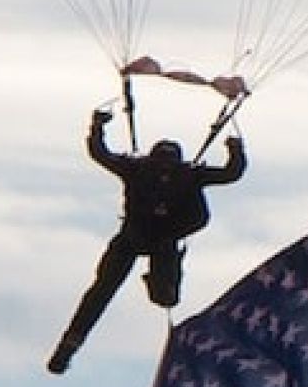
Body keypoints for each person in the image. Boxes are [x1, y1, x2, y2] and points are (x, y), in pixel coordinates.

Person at [46, 109, 247, 373]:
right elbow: (231, 173)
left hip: (153, 238)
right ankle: (67, 348)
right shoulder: (175, 172)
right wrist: (235, 149)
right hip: (142, 237)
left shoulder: (145, 169)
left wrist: (97, 128)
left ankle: (68, 347)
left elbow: (100, 153)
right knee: (104, 292)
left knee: (114, 294)